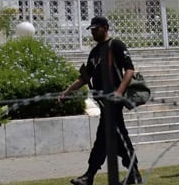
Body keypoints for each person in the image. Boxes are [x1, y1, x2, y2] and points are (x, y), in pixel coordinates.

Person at [59, 16, 142, 185]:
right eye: (92, 30)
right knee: (113, 138)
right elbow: (85, 77)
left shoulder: (116, 45)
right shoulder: (95, 52)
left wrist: (119, 92)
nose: (93, 32)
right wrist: (67, 91)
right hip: (103, 103)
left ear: (105, 28)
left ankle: (90, 176)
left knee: (111, 138)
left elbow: (129, 70)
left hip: (113, 102)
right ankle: (132, 173)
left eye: (96, 29)